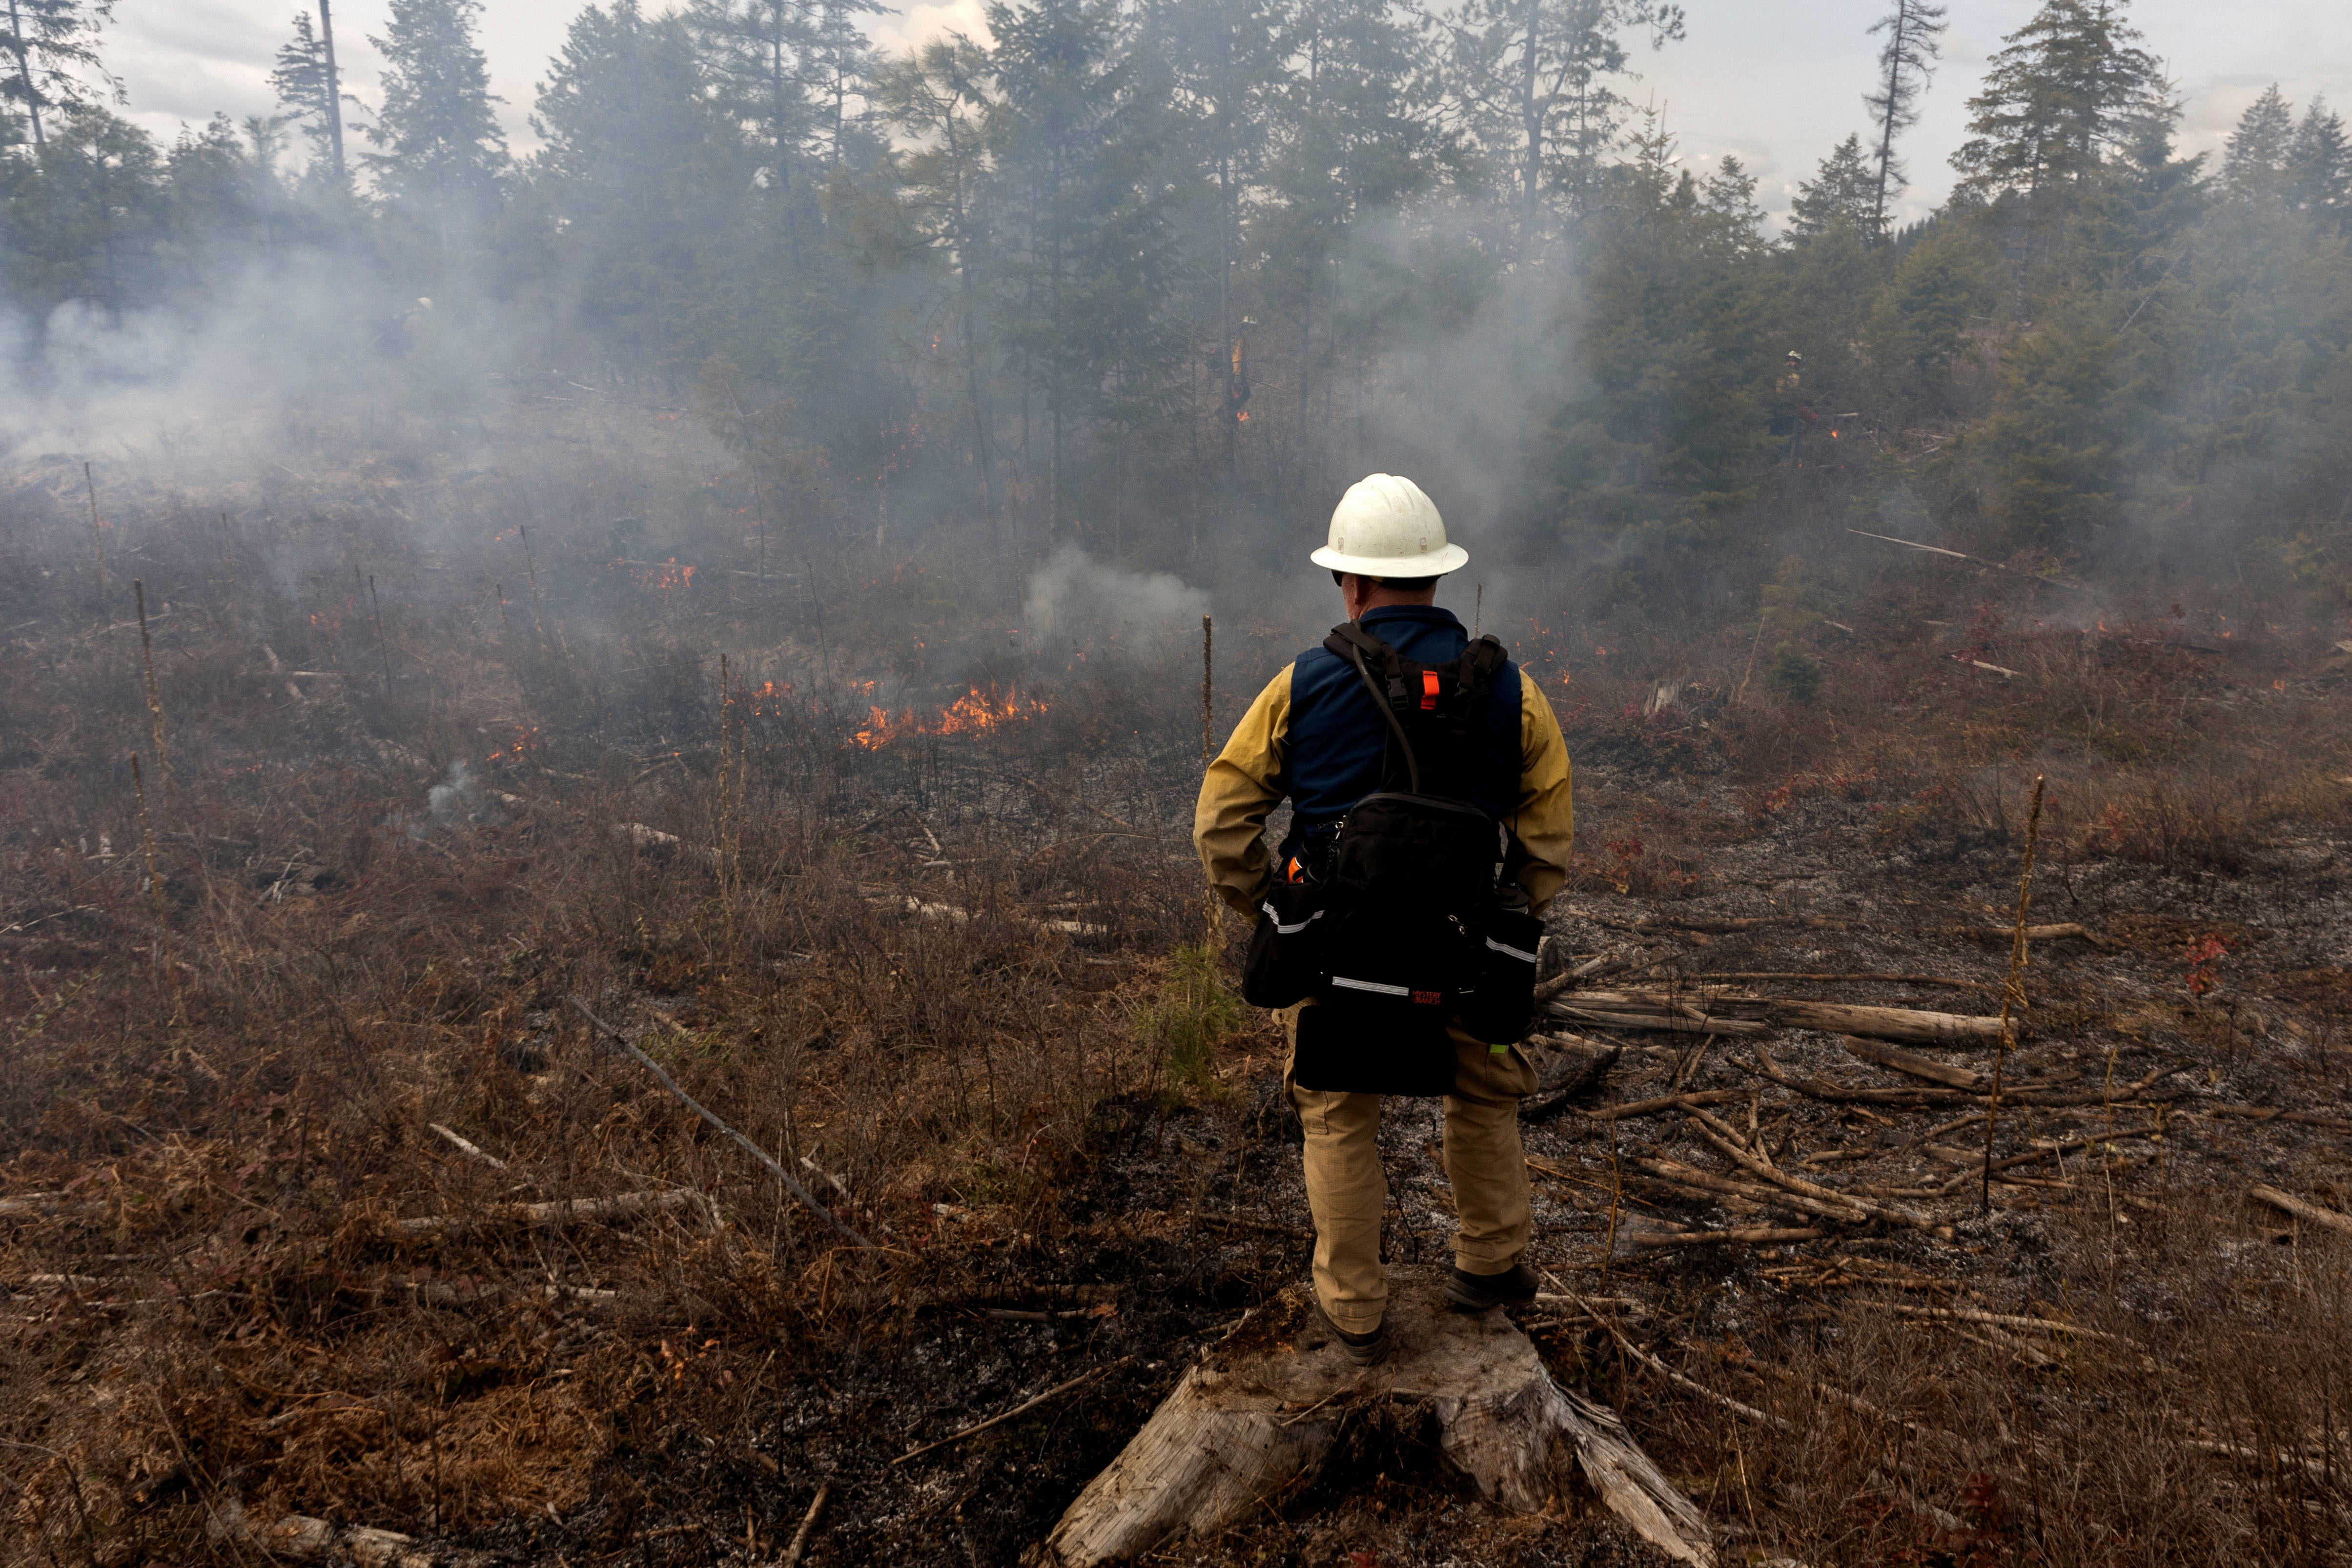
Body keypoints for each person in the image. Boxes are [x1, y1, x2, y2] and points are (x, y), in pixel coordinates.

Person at [1193, 473, 1575, 1364]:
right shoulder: (1515, 693)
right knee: (1486, 1089)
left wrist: (1273, 904)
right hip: (1464, 948)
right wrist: (1503, 924)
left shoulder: (1302, 684)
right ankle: (1489, 1262)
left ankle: (1355, 1308)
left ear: (1353, 583)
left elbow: (1221, 822)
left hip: (1338, 953)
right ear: (1436, 578)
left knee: (1336, 1107)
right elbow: (1547, 841)